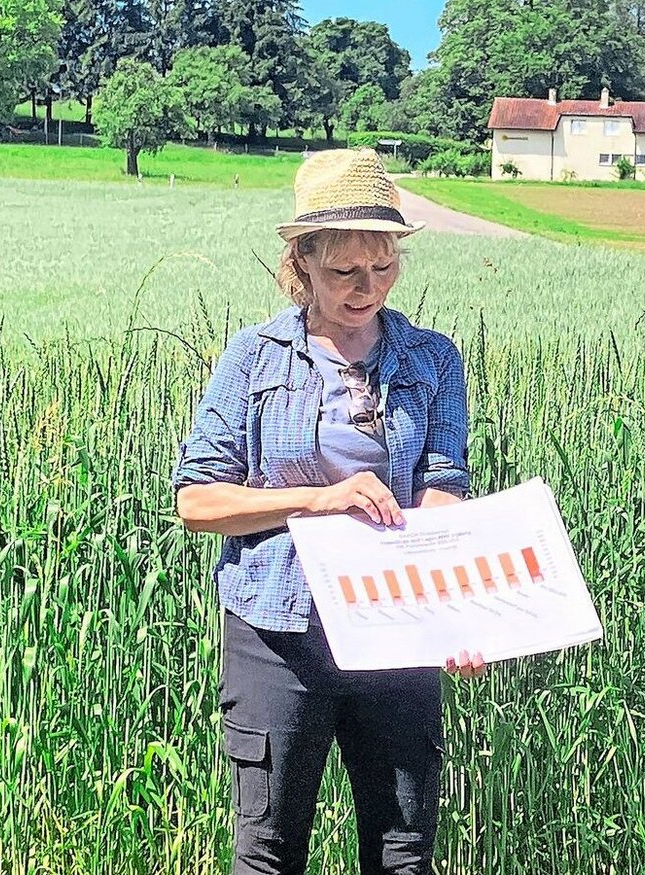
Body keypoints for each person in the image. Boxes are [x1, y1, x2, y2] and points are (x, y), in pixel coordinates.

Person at [173, 148, 486, 875]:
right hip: (277, 633)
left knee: (403, 851)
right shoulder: (253, 358)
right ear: (303, 261)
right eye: (346, 270)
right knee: (269, 850)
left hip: (396, 632)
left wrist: (455, 609)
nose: (366, 287)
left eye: (383, 267)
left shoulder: (434, 359)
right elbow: (196, 501)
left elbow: (444, 483)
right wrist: (318, 499)